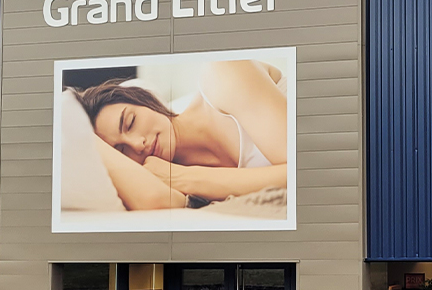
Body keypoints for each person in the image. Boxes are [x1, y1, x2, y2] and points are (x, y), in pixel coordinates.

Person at [74, 59, 287, 210]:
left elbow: (305, 174)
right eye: (122, 151)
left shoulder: (223, 73)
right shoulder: (166, 185)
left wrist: (184, 178)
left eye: (130, 122)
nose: (138, 144)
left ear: (143, 100)